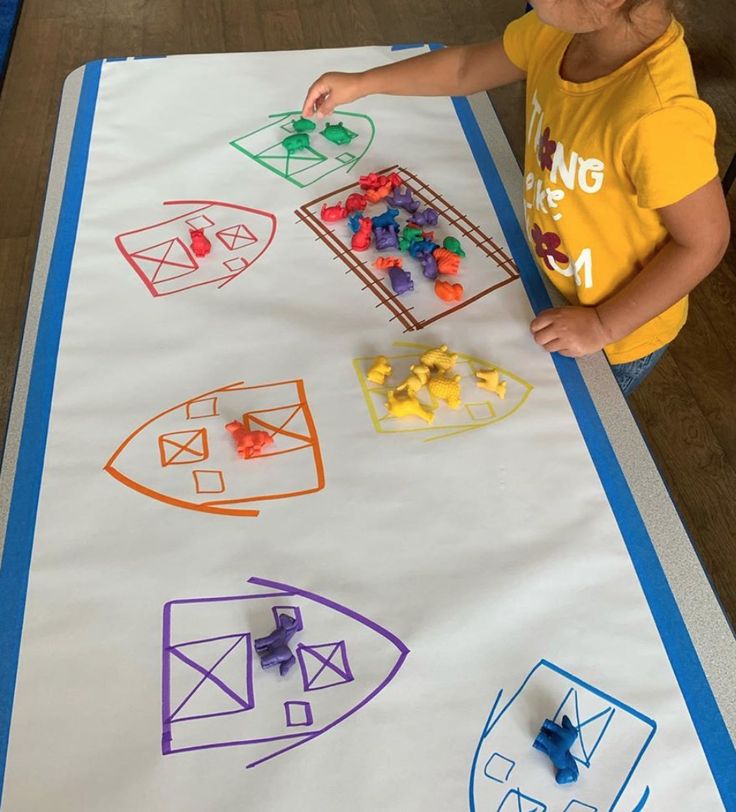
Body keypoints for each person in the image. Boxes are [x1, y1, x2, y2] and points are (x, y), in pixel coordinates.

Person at [301, 0, 730, 396]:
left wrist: (603, 324)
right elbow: (466, 68)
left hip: (618, 327)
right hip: (553, 280)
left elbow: (703, 241)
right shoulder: (563, 29)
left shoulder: (659, 117)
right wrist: (364, 83)